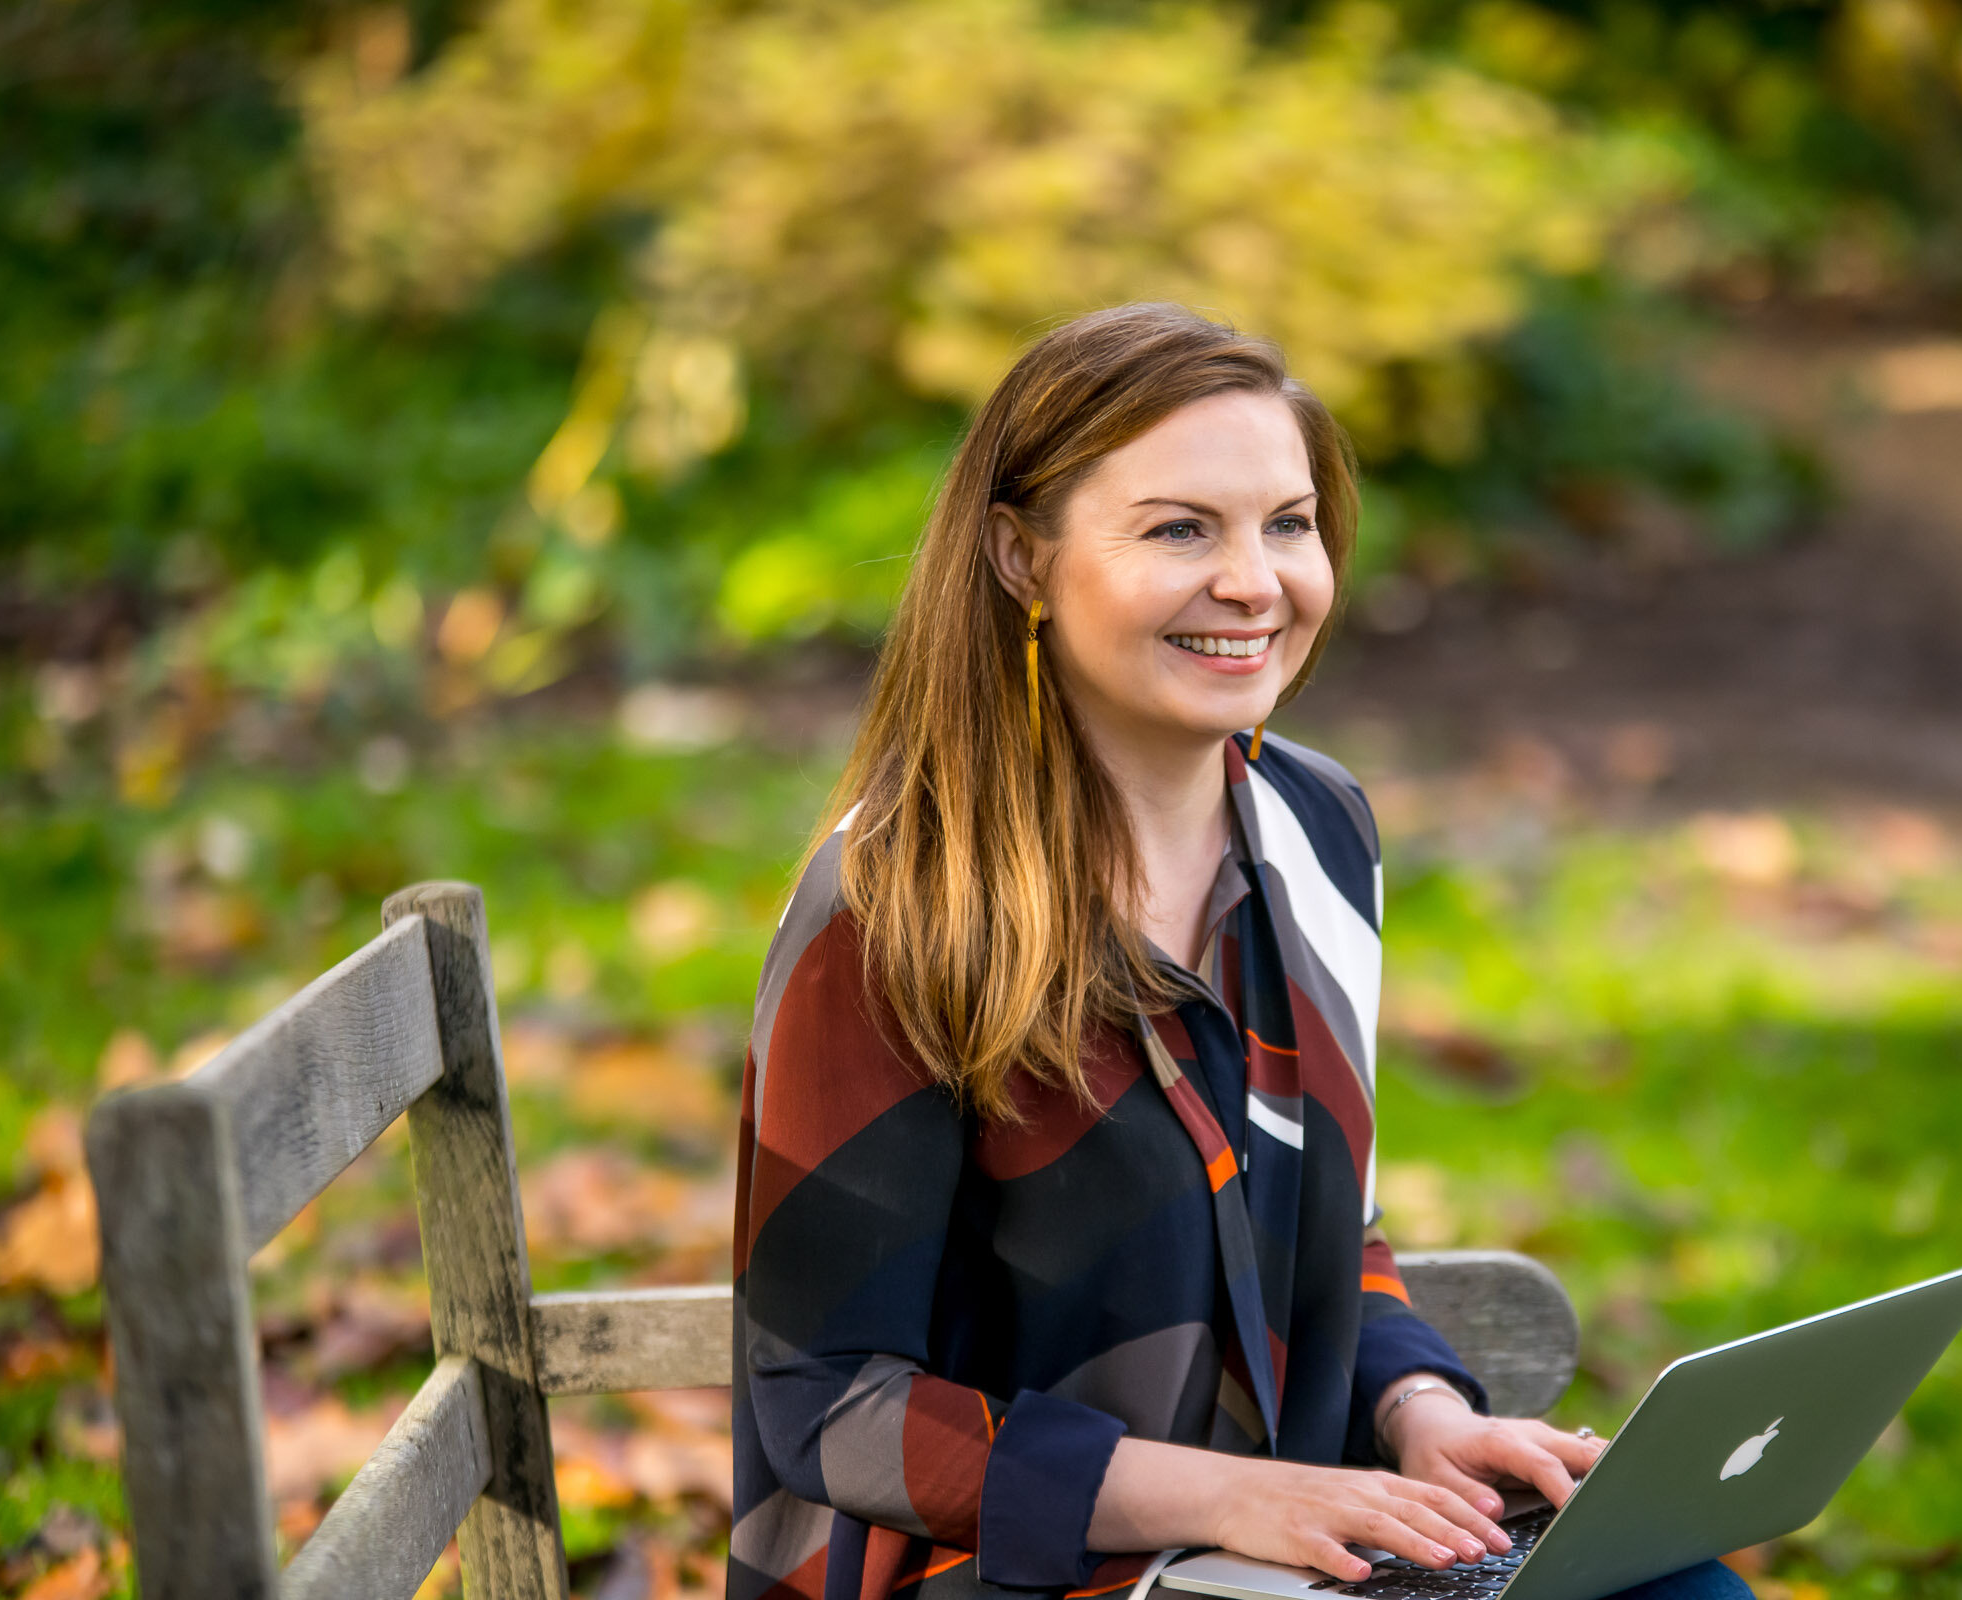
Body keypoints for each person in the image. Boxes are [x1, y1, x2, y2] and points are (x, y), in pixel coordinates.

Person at [730, 304, 1747, 1600]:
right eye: (1178, 529)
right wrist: (1236, 1498)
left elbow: (1322, 1229)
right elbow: (826, 1403)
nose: (1256, 581)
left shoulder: (1318, 832)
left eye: (1288, 522)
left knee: (1675, 1588)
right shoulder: (894, 909)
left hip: (1276, 1558)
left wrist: (1423, 1417)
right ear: (1018, 557)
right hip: (1002, 1575)